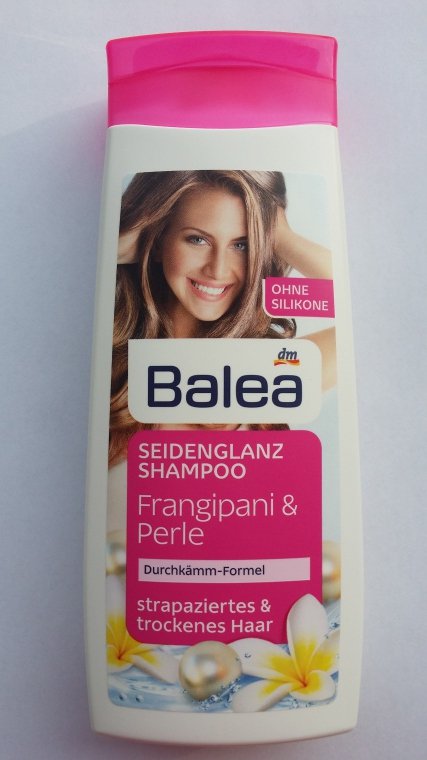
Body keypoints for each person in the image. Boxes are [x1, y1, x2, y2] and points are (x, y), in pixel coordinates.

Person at [109, 170, 335, 472]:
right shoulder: (109, 363)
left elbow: (363, 323)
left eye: (241, 245)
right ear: (159, 238)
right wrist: (114, 246)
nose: (217, 270)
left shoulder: (270, 374)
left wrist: (281, 236)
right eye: (198, 239)